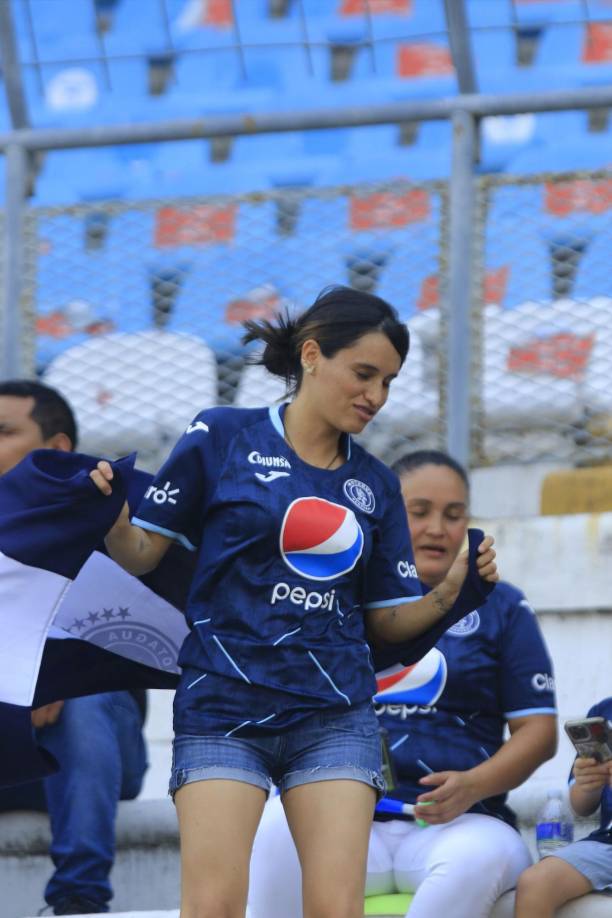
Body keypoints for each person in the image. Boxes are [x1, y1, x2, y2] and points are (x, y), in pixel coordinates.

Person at [90, 286, 498, 918]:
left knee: (337, 910)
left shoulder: (376, 483)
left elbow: (388, 623)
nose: (376, 396)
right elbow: (141, 553)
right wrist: (111, 518)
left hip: (334, 715)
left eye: (388, 382)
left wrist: (450, 591)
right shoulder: (220, 434)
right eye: (364, 373)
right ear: (311, 355)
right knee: (213, 908)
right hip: (224, 703)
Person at [248, 449, 557, 918]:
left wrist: (472, 786)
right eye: (420, 512)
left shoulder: (503, 607)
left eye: (453, 515)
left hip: (463, 825)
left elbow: (538, 732)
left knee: (477, 862)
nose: (437, 528)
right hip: (346, 819)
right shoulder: (336, 596)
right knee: (277, 824)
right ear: (388, 517)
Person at [0, 379, 148, 916]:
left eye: (3, 431)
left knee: (82, 700)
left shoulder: (107, 525)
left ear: (57, 448)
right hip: (9, 751)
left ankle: (78, 901)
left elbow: (133, 642)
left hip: (92, 751)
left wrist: (49, 681)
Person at [515, 697, 612, 917]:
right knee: (535, 882)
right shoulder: (605, 710)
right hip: (607, 843)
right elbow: (580, 806)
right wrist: (589, 783)